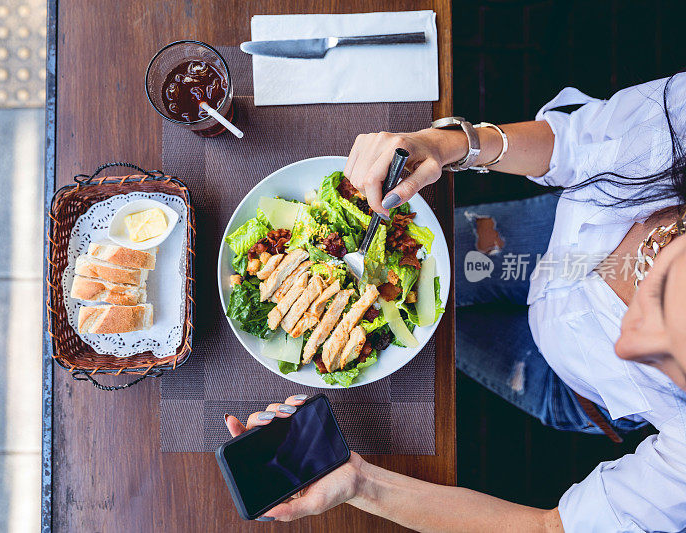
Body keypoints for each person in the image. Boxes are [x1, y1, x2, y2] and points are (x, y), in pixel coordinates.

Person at [224, 74, 686, 531]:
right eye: (657, 304)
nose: (623, 343)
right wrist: (452, 144)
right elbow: (576, 144)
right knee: (447, 292)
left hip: (575, 390)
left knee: (446, 346)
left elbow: (549, 529)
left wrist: (359, 483)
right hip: (561, 239)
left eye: (668, 365)